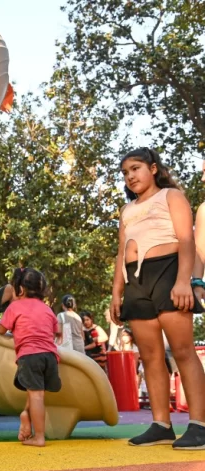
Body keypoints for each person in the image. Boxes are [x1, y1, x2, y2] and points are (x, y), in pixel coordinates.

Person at [110, 147, 205, 449]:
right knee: (150, 356)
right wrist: (116, 293)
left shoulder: (171, 196)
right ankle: (161, 424)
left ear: (152, 168)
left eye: (135, 168)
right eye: (125, 173)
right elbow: (121, 252)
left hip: (168, 272)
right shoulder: (127, 210)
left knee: (182, 351)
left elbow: (187, 239)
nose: (130, 176)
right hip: (135, 280)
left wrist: (183, 282)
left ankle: (199, 425)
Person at [0, 268, 61, 447]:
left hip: (30, 355)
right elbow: (57, 330)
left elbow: (1, 329)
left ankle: (39, 437)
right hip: (50, 357)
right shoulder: (47, 309)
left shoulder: (15, 307)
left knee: (36, 395)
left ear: (20, 290)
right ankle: (25, 412)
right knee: (36, 391)